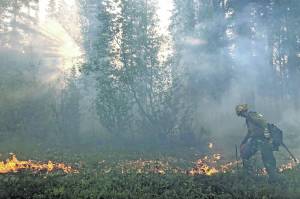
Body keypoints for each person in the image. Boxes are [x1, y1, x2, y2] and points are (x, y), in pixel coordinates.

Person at [235, 104, 278, 182]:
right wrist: (243, 142)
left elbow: (264, 123)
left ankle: (274, 179)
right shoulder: (248, 119)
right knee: (245, 154)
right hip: (256, 140)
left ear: (243, 111)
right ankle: (248, 175)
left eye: (241, 114)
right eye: (240, 115)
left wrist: (267, 137)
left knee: (268, 159)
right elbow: (250, 132)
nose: (241, 116)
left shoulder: (252, 115)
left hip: (263, 140)